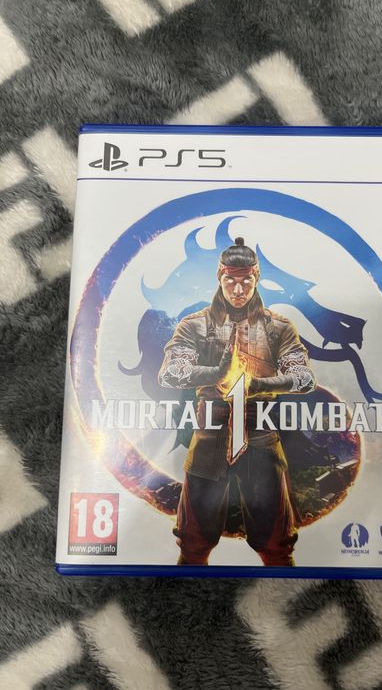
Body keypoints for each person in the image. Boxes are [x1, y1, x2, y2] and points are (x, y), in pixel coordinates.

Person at [158, 236, 316, 566]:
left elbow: (303, 378)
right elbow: (170, 373)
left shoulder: (277, 328)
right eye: (231, 281)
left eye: (246, 281)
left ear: (256, 279)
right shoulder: (196, 325)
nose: (239, 289)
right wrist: (215, 372)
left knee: (277, 546)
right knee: (192, 544)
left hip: (261, 436)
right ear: (220, 278)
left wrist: (258, 385)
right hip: (209, 435)